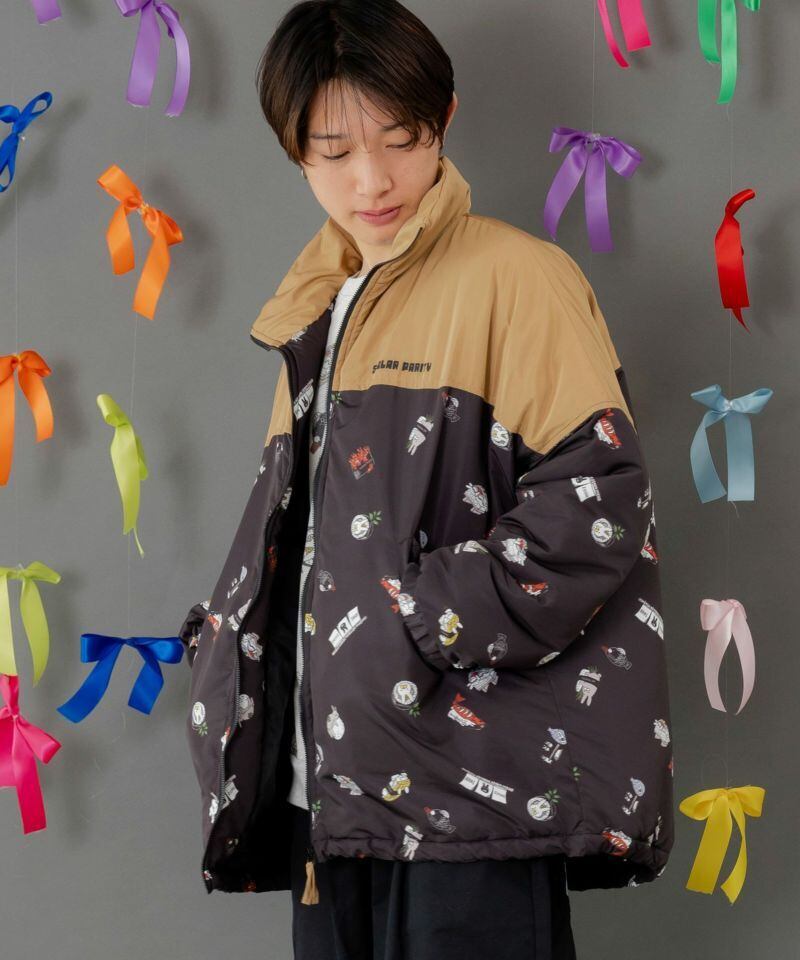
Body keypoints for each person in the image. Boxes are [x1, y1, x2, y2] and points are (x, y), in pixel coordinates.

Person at [178, 2, 674, 958]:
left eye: (399, 140)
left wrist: (422, 617)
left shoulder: (518, 278)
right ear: (294, 150)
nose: (371, 180)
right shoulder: (316, 310)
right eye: (332, 152)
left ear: (443, 119)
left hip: (468, 793)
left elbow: (602, 495)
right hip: (329, 800)